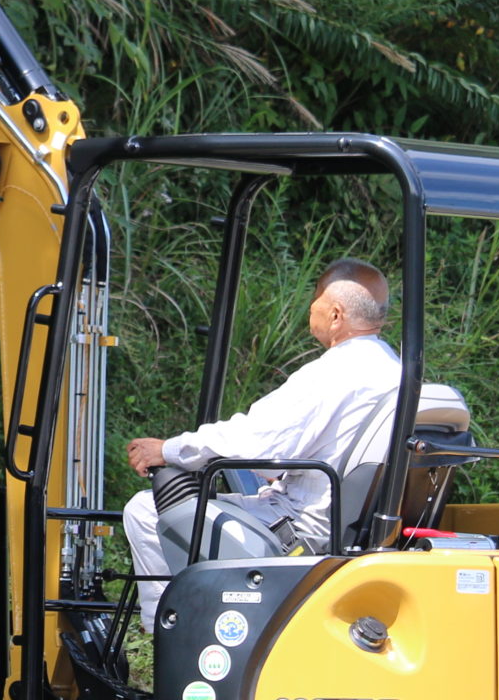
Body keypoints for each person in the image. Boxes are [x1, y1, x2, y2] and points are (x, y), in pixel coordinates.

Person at [121, 259, 399, 626]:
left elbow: (257, 439)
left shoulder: (334, 373)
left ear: (335, 315)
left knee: (145, 510)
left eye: (314, 299)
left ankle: (169, 631)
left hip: (298, 529)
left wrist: (169, 450)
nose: (309, 308)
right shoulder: (395, 370)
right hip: (346, 520)